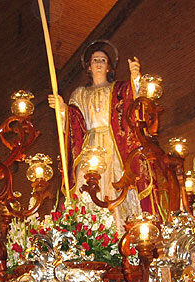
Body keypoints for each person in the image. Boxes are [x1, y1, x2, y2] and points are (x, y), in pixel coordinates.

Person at [48, 40, 153, 229]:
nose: (98, 63)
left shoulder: (118, 89)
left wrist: (135, 77)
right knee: (87, 187)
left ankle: (119, 230)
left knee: (116, 184)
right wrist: (62, 108)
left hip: (114, 145)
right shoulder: (79, 93)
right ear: (88, 66)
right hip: (90, 146)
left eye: (103, 60)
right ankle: (89, 231)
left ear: (109, 67)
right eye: (95, 60)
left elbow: (133, 101)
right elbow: (74, 121)